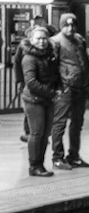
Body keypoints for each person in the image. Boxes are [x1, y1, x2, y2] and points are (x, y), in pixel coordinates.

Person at [50, 13, 89, 170]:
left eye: (73, 25)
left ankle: (74, 155)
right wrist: (58, 87)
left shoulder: (79, 40)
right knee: (59, 123)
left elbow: (85, 62)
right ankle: (57, 157)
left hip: (81, 87)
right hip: (65, 88)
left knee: (77, 123)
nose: (70, 28)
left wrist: (88, 82)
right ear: (61, 26)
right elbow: (52, 67)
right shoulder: (55, 42)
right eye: (66, 25)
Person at [21, 26, 60, 177]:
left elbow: (54, 75)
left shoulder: (49, 55)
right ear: (31, 40)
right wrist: (52, 93)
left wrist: (57, 89)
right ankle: (34, 166)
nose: (42, 41)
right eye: (38, 38)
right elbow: (31, 82)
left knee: (45, 134)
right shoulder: (29, 58)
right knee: (36, 133)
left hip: (47, 99)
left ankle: (40, 165)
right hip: (34, 100)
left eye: (44, 38)